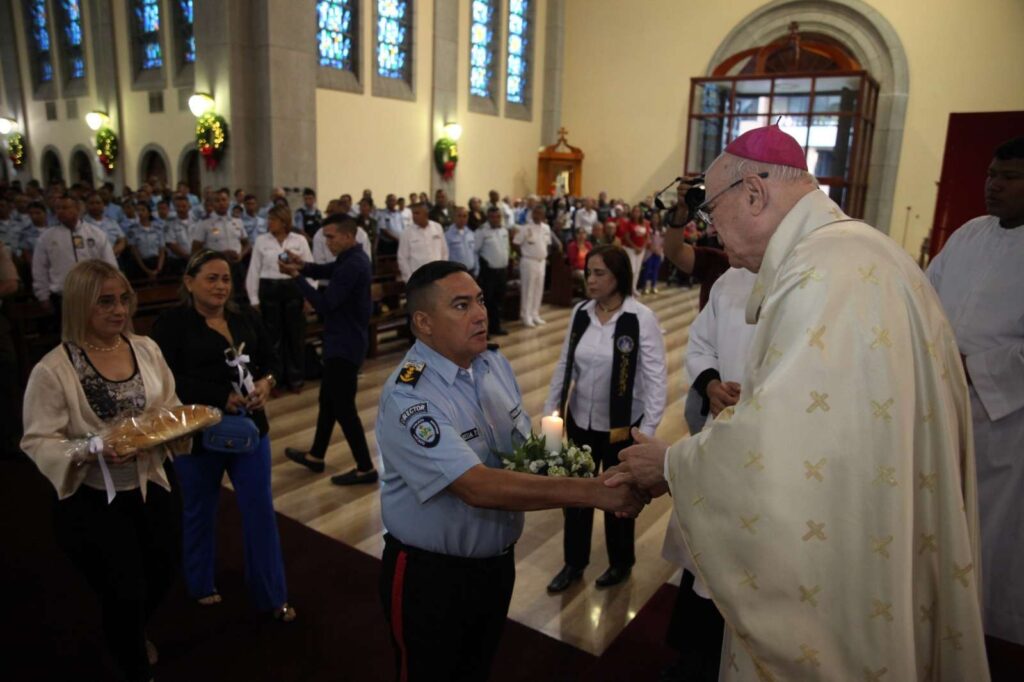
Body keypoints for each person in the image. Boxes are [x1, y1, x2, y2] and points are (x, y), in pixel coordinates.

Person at [613, 125, 989, 680]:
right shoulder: (858, 251)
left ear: (754, 194)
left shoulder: (820, 274)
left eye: (712, 210)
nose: (709, 227)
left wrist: (671, 464)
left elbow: (780, 450)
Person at [376, 260, 646, 681]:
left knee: (477, 668)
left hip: (496, 565)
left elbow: (517, 450)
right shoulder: (409, 396)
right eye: (461, 306)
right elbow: (475, 486)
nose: (480, 314)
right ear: (424, 323)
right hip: (432, 578)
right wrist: (594, 490)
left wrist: (559, 464)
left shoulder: (491, 364)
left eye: (480, 301)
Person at [21, 260, 186, 682]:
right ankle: (131, 657)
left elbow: (168, 405)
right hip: (94, 499)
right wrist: (91, 449)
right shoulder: (53, 369)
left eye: (123, 299)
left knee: (165, 568)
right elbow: (39, 439)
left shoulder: (146, 349)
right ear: (80, 305)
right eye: (105, 302)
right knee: (124, 589)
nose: (120, 310)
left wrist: (169, 428)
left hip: (152, 482)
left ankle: (130, 628)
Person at [151, 250, 296, 623]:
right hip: (198, 434)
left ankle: (271, 594)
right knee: (199, 510)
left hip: (250, 430)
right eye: (211, 278)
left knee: (260, 511)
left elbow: (271, 359)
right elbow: (165, 378)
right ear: (189, 282)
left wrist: (267, 383)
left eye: (226, 279)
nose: (220, 286)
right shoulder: (172, 323)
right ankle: (199, 583)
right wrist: (219, 396)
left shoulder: (245, 316)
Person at [926, 135, 1024, 646]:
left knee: (990, 536)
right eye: (991, 174)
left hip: (1004, 422)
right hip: (942, 405)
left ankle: (982, 639)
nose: (994, 185)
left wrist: (974, 368)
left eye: (1009, 177)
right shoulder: (967, 234)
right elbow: (923, 295)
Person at [543, 245, 667, 592]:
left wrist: (646, 434)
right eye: (588, 272)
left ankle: (621, 562)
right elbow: (565, 364)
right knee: (577, 494)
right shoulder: (581, 312)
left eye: (599, 273)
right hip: (581, 419)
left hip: (621, 426)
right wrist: (550, 411)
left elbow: (656, 379)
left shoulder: (639, 318)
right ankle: (574, 561)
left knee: (619, 497)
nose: (591, 280)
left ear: (619, 276)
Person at [662, 265, 756, 682]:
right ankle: (692, 659)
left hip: (770, 450)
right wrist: (712, 385)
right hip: (719, 438)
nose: (715, 235)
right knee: (702, 553)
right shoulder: (730, 280)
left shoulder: (809, 277)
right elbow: (701, 344)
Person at [280, 214, 376, 485]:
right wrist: (302, 265)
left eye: (331, 237)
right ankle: (316, 455)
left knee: (344, 407)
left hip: (345, 345)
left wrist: (296, 277)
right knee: (328, 401)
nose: (327, 242)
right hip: (343, 340)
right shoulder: (351, 258)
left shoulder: (353, 264)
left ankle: (366, 467)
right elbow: (325, 270)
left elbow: (324, 305)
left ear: (348, 236)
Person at [245, 205, 314, 392]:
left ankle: (296, 379)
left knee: (295, 336)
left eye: (273, 219)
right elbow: (254, 270)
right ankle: (275, 380)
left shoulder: (299, 240)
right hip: (269, 290)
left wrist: (309, 296)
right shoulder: (261, 241)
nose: (269, 223)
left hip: (293, 289)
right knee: (272, 339)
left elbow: (309, 268)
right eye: (268, 219)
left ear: (284, 222)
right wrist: (254, 299)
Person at [32, 195, 118, 320]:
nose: (60, 211)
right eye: (57, 208)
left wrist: (111, 290)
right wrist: (43, 296)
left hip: (95, 294)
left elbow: (110, 265)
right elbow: (40, 269)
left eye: (65, 207)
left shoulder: (96, 233)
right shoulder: (47, 237)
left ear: (77, 209)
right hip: (63, 297)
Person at [514, 204, 559, 327]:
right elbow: (516, 243)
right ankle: (526, 315)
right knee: (528, 289)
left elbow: (547, 244)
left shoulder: (546, 228)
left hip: (541, 262)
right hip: (529, 261)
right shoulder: (525, 228)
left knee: (539, 288)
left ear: (544, 215)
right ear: (532, 213)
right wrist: (523, 254)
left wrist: (544, 255)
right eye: (535, 213)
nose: (537, 216)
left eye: (540, 213)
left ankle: (535, 314)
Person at [475, 206, 511, 336]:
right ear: (488, 217)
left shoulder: (504, 230)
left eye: (498, 217)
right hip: (488, 272)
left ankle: (497, 327)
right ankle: (486, 330)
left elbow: (506, 248)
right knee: (487, 302)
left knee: (499, 301)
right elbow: (475, 250)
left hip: (502, 271)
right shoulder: (481, 231)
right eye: (492, 217)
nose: (495, 219)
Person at [397, 202, 448, 282]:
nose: (414, 216)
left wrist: (443, 271)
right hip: (418, 278)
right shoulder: (406, 233)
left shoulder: (437, 227)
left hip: (437, 275)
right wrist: (409, 279)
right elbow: (402, 258)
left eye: (417, 213)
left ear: (426, 214)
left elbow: (444, 251)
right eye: (413, 213)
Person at [126, 202, 167, 280]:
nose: (140, 213)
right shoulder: (133, 229)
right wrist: (146, 270)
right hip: (140, 263)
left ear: (149, 212)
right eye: (138, 210)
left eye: (143, 210)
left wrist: (158, 268)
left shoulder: (158, 228)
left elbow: (162, 249)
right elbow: (134, 251)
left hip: (157, 262)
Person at [616, 205, 649, 294]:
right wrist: (635, 247)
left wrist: (642, 247)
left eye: (638, 211)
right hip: (630, 249)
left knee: (637, 270)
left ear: (641, 213)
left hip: (641, 250)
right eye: (634, 211)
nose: (636, 213)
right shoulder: (628, 223)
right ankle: (628, 288)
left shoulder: (645, 223)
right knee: (632, 270)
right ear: (632, 213)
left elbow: (647, 237)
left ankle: (633, 288)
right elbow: (626, 237)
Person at [445, 206, 478, 277]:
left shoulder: (471, 234)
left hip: (471, 272)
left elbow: (475, 253)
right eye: (459, 216)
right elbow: (446, 256)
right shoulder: (447, 235)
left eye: (464, 216)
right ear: (454, 217)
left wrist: (477, 270)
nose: (462, 219)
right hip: (456, 274)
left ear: (468, 218)